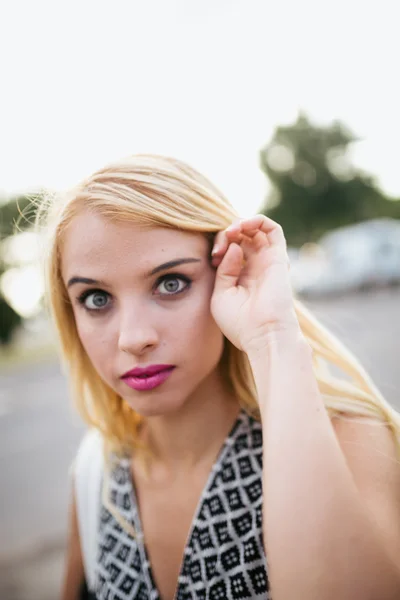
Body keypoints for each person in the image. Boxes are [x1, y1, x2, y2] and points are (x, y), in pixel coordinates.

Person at [36, 155, 400, 600]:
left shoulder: (352, 443)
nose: (133, 338)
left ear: (232, 272)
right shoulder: (96, 477)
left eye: (170, 283)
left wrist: (270, 338)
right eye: (95, 298)